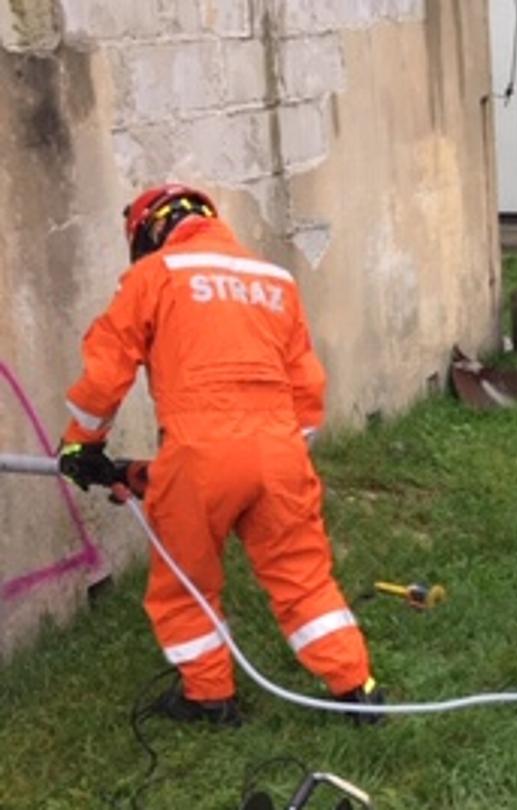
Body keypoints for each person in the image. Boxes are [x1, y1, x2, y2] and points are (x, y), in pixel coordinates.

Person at [57, 184, 382, 725]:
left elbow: (106, 371)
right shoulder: (274, 280)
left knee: (185, 580)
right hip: (280, 452)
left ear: (150, 232)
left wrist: (82, 444)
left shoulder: (153, 276)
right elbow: (307, 385)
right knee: (303, 576)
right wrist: (274, 456)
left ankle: (209, 697)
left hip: (201, 451)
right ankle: (358, 689)